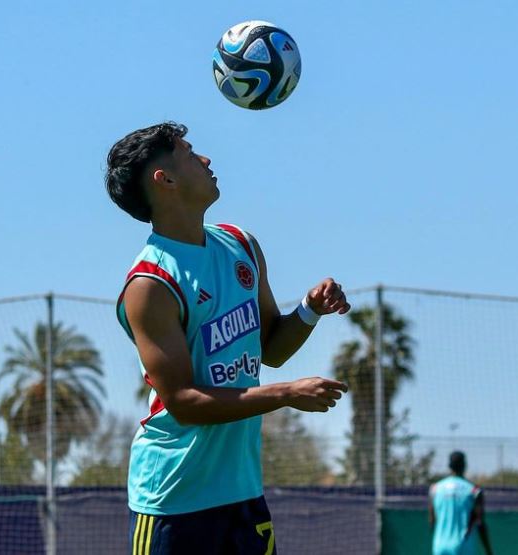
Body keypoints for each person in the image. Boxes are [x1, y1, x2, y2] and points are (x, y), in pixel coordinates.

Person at [106, 122, 351, 555]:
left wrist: (310, 309)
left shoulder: (241, 245)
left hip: (242, 495)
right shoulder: (150, 283)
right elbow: (184, 403)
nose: (205, 159)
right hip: (173, 501)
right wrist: (286, 393)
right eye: (188, 153)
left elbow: (271, 349)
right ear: (165, 180)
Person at [429, 451, 494, 555]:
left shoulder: (435, 489)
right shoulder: (473, 491)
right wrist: (489, 551)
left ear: (449, 466)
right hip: (463, 547)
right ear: (464, 465)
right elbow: (480, 523)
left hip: (439, 546)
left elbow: (432, 521)